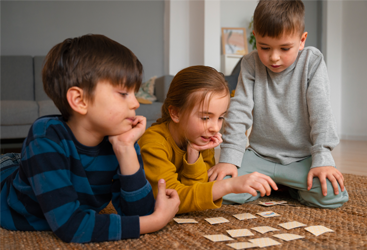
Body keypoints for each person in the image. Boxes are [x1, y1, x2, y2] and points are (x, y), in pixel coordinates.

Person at [0, 34, 180, 243]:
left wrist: (125, 149)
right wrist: (155, 221)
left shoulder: (121, 139)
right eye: (123, 93)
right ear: (79, 100)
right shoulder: (46, 136)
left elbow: (138, 213)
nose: (135, 103)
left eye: (134, 93)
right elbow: (71, 227)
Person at [208, 0, 349, 208]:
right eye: (265, 48)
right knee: (222, 190)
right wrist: (229, 157)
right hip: (259, 156)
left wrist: (322, 158)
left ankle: (286, 186)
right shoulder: (250, 64)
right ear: (255, 38)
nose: (274, 57)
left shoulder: (312, 61)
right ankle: (278, 184)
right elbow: (239, 111)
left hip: (301, 158)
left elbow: (322, 113)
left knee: (332, 195)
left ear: (302, 40)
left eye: (285, 48)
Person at [138, 66, 277, 214]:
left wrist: (193, 155)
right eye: (205, 118)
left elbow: (197, 193)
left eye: (220, 117)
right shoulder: (153, 143)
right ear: (176, 113)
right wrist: (229, 185)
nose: (215, 128)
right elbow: (170, 200)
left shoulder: (200, 137)